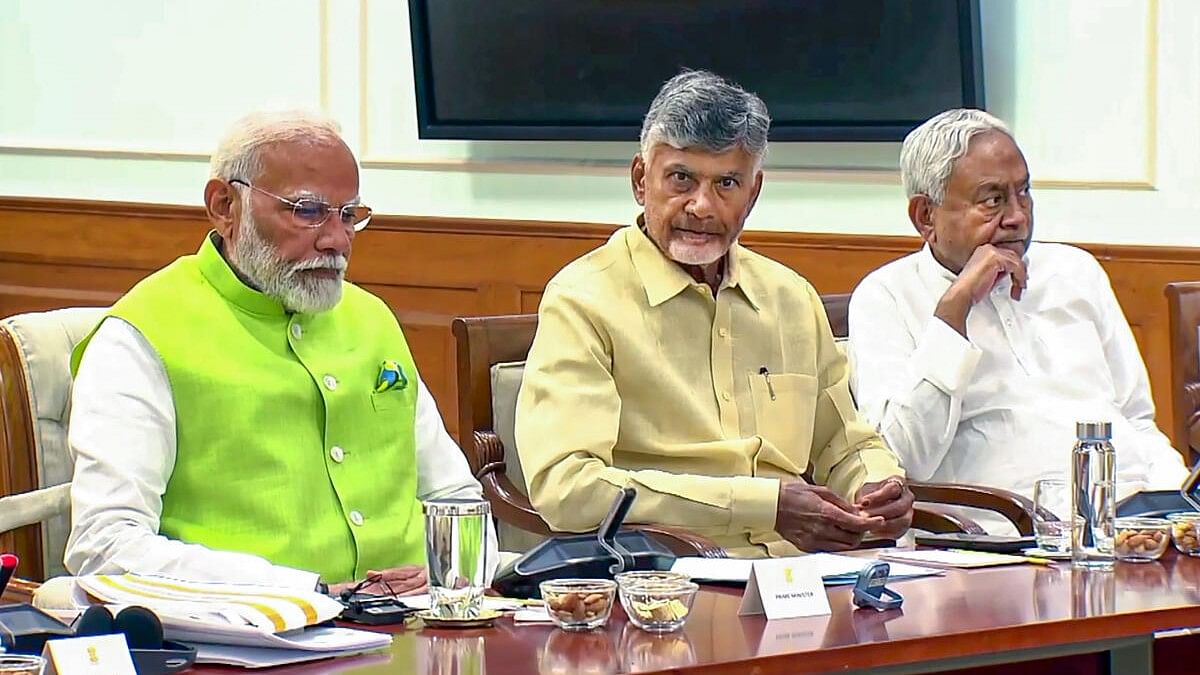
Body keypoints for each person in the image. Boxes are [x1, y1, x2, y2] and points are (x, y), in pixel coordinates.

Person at [65, 111, 496, 595]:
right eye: (307, 211)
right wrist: (305, 590)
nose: (337, 241)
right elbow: (104, 546)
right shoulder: (141, 336)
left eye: (349, 215)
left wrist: (452, 570)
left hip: (421, 625)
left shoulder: (371, 318)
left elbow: (455, 497)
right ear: (225, 206)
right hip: (256, 640)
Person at [514, 71, 912, 557]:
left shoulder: (791, 297)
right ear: (642, 180)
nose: (702, 206)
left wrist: (877, 485)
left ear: (754, 192)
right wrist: (760, 504)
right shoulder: (583, 301)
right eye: (681, 178)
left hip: (806, 577)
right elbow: (568, 490)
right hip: (666, 584)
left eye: (727, 183)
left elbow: (845, 444)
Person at [848, 108, 1189, 533]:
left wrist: (1181, 504)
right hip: (1008, 540)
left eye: (1023, 193)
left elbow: (1136, 418)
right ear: (925, 217)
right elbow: (900, 457)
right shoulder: (886, 297)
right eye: (992, 200)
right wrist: (953, 311)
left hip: (1137, 524)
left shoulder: (1074, 271)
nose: (1018, 216)